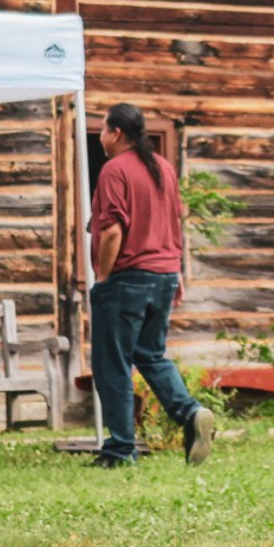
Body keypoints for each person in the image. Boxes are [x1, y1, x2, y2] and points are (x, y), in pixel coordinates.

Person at [88, 102, 214, 468]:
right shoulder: (164, 168)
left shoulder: (115, 171)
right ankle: (190, 412)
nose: (99, 136)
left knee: (113, 363)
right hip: (163, 275)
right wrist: (176, 273)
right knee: (151, 355)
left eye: (102, 130)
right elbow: (174, 222)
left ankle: (120, 449)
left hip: (127, 277)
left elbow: (112, 230)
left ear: (116, 133)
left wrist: (103, 276)